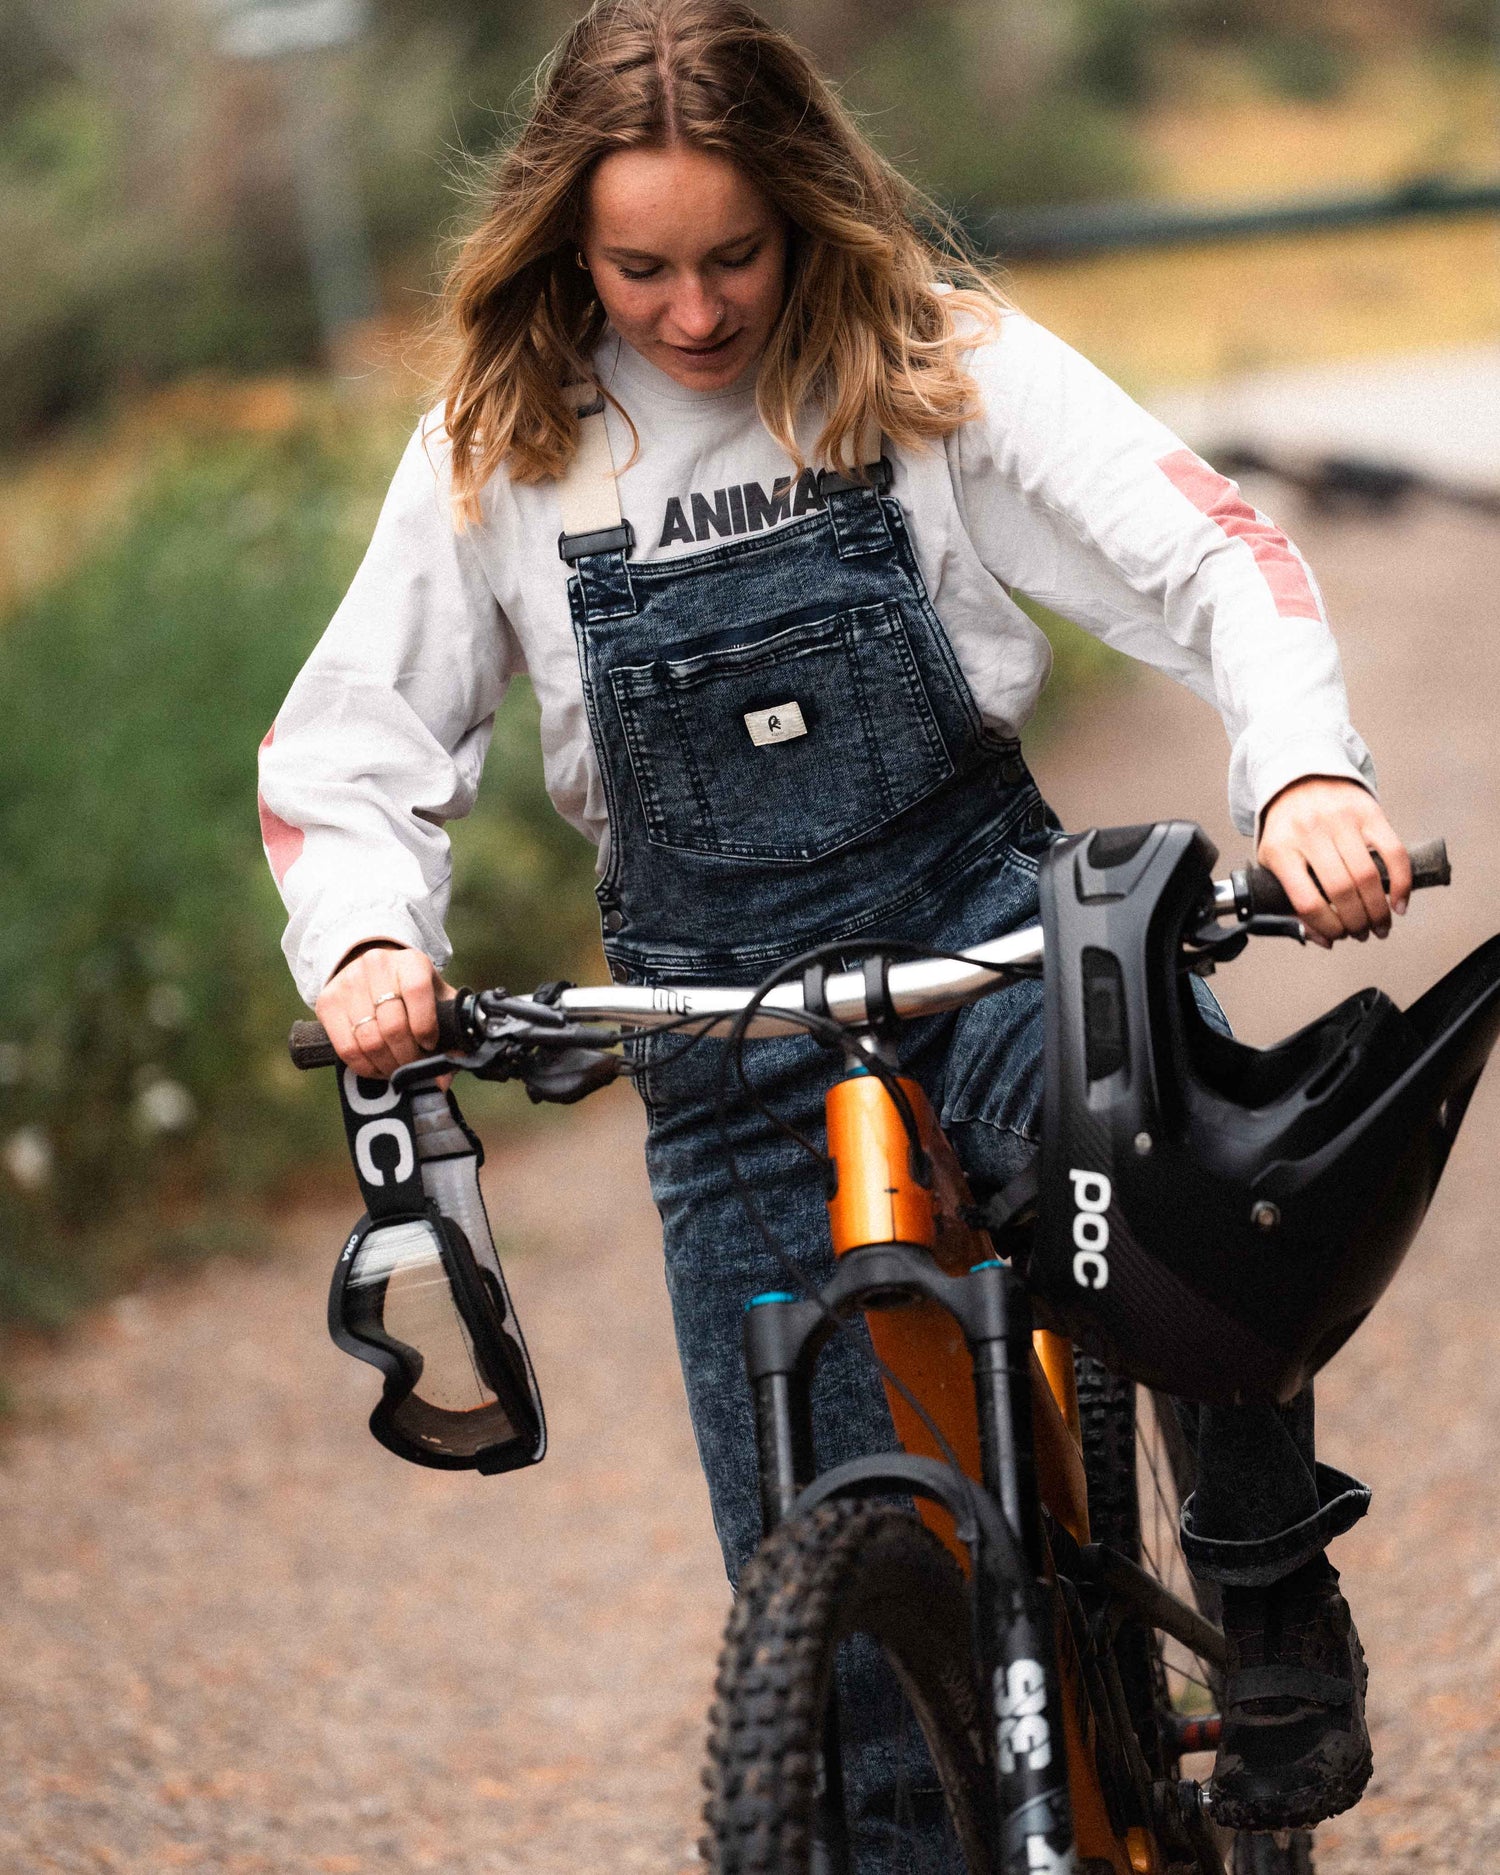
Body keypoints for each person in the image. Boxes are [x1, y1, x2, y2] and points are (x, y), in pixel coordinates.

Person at [259, 0, 1409, 1861]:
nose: (695, 311)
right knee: (833, 1637)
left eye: (734, 255)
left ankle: (1271, 1599)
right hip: (716, 1032)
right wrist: (370, 939)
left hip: (988, 946)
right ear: (570, 241)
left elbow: (1213, 555)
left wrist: (1301, 778)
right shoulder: (504, 444)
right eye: (641, 267)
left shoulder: (930, 361)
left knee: (1182, 1190)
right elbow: (346, 749)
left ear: (803, 210)